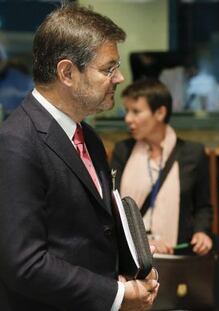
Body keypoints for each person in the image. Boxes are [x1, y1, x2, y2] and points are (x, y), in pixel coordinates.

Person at [0, 5, 158, 311]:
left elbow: (89, 234)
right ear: (67, 73)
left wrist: (134, 266)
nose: (120, 77)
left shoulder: (89, 138)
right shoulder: (16, 142)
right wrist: (117, 296)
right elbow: (25, 265)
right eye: (108, 68)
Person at [111, 79, 213, 255]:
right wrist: (144, 243)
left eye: (136, 111)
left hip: (177, 254)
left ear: (160, 113)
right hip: (133, 255)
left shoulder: (192, 153)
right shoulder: (123, 150)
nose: (128, 119)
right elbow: (115, 208)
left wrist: (202, 232)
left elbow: (203, 206)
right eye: (127, 111)